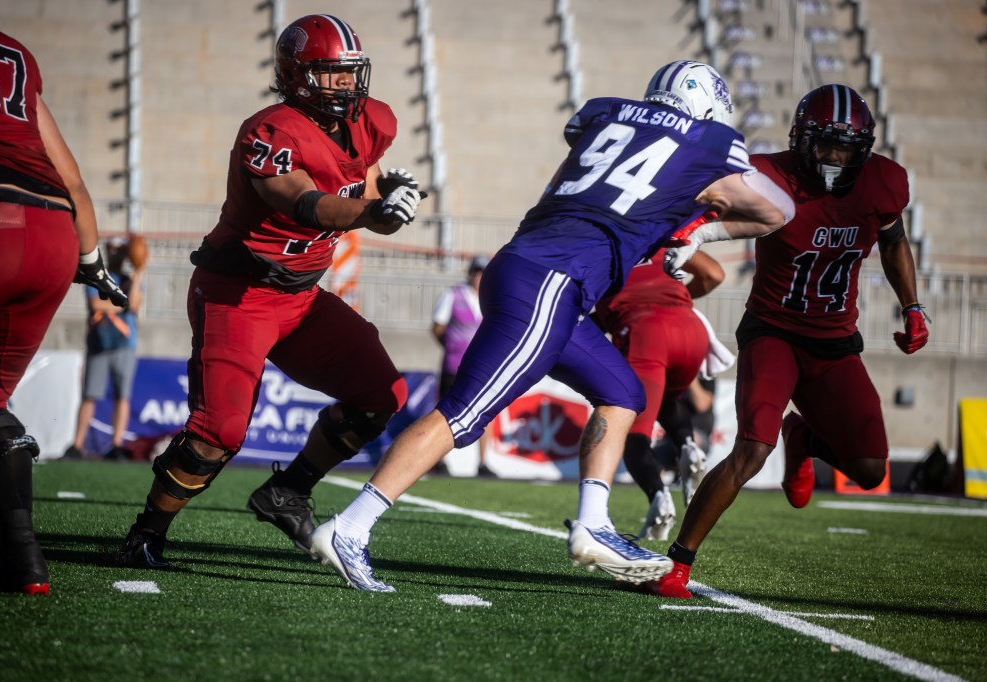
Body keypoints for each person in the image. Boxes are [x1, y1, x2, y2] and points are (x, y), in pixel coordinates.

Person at [307, 60, 796, 592]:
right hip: (552, 281)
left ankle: (594, 523)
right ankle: (349, 527)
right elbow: (778, 210)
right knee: (462, 414)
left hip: (537, 272)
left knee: (622, 392)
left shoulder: (607, 112)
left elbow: (587, 146)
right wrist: (699, 233)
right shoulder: (709, 140)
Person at [114, 14, 424, 569]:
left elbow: (362, 182)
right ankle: (146, 534)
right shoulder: (270, 131)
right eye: (331, 73)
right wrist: (375, 211)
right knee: (218, 431)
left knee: (382, 395)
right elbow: (304, 203)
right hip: (239, 293)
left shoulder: (371, 121)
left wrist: (388, 196)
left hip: (301, 297)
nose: (346, 84)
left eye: (351, 72)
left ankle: (288, 491)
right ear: (297, 76)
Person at [648, 84, 927, 599]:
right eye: (825, 146)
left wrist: (912, 305)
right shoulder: (768, 175)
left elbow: (893, 240)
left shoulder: (883, 183)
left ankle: (804, 439)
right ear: (801, 140)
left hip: (835, 340)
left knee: (870, 470)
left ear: (864, 150)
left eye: (845, 148)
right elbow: (706, 204)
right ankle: (678, 564)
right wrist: (688, 235)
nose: (834, 159)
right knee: (751, 451)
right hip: (773, 331)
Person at [0, 0, 127, 594]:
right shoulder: (13, 53)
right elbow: (73, 180)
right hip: (54, 233)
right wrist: (93, 263)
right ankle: (23, 558)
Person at [593, 249, 727, 541]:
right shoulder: (659, 239)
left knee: (632, 433)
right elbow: (714, 274)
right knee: (666, 399)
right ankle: (688, 444)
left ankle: (658, 494)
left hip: (646, 333)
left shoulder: (596, 248)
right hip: (691, 328)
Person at [65, 237, 145, 461]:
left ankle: (117, 445)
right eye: (113, 250)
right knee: (89, 395)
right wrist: (123, 303)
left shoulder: (130, 279)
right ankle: (77, 445)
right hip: (98, 343)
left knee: (122, 396)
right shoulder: (97, 277)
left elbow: (135, 304)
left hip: (124, 344)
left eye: (120, 250)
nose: (116, 254)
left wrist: (139, 273)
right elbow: (96, 304)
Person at [430, 254, 494, 477]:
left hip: (481, 365)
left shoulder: (490, 298)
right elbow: (438, 327)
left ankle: (483, 462)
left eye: (482, 273)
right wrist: (452, 346)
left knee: (484, 410)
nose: (479, 277)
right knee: (445, 412)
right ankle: (440, 460)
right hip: (454, 364)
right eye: (476, 273)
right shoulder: (453, 295)